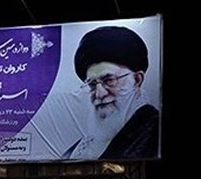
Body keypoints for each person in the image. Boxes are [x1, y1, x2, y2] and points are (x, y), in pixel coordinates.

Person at [62, 25, 160, 161]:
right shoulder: (81, 148)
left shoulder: (154, 132)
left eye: (109, 80)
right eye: (92, 84)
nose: (99, 94)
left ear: (137, 80)